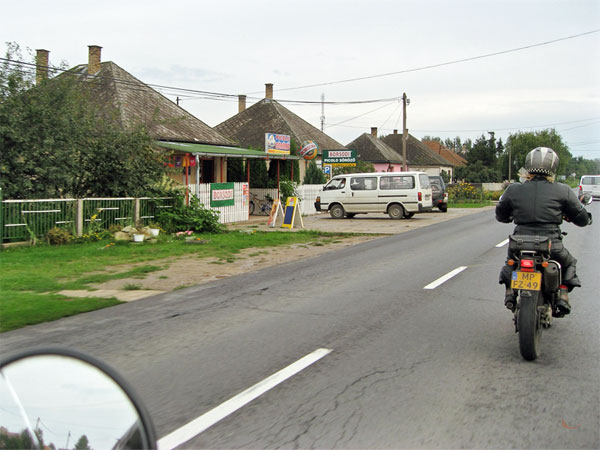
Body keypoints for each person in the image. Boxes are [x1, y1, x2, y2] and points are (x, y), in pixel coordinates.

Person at [495, 147, 592, 316]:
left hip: (519, 244)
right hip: (550, 245)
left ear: (528, 166)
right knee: (569, 263)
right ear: (553, 167)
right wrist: (584, 217)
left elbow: (500, 214)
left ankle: (510, 291)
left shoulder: (513, 189)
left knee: (510, 262)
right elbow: (581, 219)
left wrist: (509, 217)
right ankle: (562, 294)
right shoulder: (563, 190)